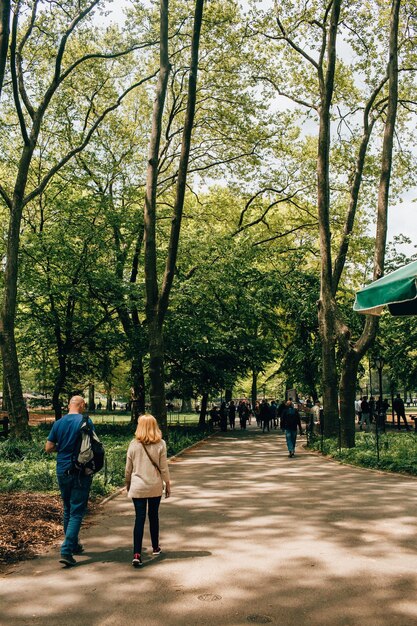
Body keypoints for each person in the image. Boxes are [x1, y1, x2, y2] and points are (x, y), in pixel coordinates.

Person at [45, 395, 94, 567]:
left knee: (67, 508)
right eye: (84, 404)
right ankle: (66, 550)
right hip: (81, 471)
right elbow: (93, 446)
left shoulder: (58, 423)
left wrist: (63, 448)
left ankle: (72, 545)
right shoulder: (86, 422)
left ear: (69, 406)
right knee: (77, 511)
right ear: (80, 405)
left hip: (62, 470)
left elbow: (48, 447)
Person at [125, 414, 171, 568]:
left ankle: (137, 554)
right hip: (154, 486)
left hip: (138, 487)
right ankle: (155, 547)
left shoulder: (133, 444)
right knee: (153, 516)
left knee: (139, 518)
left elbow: (128, 469)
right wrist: (168, 484)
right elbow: (164, 468)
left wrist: (128, 484)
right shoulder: (160, 444)